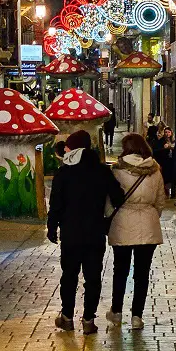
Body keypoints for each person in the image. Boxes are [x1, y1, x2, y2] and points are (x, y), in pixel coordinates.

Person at [47, 130, 124, 334]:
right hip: (95, 233)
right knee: (93, 278)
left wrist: (52, 227)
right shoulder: (101, 171)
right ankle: (88, 320)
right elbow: (118, 197)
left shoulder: (63, 173)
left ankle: (67, 317)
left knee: (69, 276)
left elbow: (55, 204)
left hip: (71, 234)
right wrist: (105, 214)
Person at [107, 133, 166, 328]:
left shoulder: (117, 170)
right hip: (148, 225)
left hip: (123, 222)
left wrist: (109, 217)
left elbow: (110, 201)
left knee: (120, 270)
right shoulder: (155, 170)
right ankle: (137, 316)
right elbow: (160, 201)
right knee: (142, 273)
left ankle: (116, 311)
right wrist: (150, 216)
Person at [153, 125, 176, 198]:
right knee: (165, 177)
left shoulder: (174, 141)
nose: (167, 134)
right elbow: (156, 151)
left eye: (169, 132)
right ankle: (166, 192)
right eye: (166, 132)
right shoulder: (161, 141)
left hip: (172, 162)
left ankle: (173, 193)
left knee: (172, 178)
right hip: (165, 162)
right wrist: (164, 148)